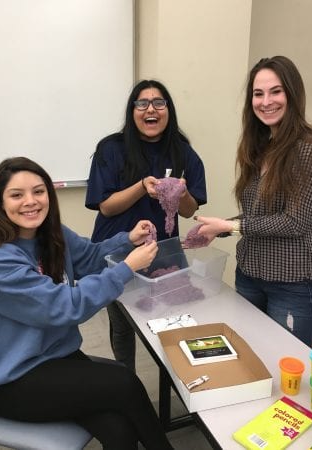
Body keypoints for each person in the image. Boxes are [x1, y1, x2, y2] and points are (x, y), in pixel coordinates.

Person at [0, 157, 174, 450]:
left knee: (119, 428)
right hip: (12, 381)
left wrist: (128, 239)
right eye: (16, 195)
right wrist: (126, 268)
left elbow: (90, 258)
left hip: (54, 359)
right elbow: (64, 306)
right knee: (124, 383)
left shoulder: (51, 234)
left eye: (39, 191)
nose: (30, 201)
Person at [194, 56, 312, 348]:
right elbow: (258, 214)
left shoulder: (309, 147)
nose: (266, 101)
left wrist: (231, 226)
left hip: (293, 281)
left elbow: (295, 222)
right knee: (250, 360)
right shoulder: (260, 148)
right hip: (249, 276)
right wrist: (218, 228)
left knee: (287, 368)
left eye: (276, 91)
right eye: (258, 94)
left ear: (293, 94)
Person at [85, 79, 207, 370]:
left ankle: (176, 377)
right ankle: (126, 378)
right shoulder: (111, 149)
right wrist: (141, 186)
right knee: (123, 323)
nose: (150, 109)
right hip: (116, 249)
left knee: (168, 316)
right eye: (142, 103)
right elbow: (106, 205)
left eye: (159, 103)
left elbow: (190, 210)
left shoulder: (183, 152)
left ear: (168, 110)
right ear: (133, 111)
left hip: (162, 251)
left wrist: (182, 192)